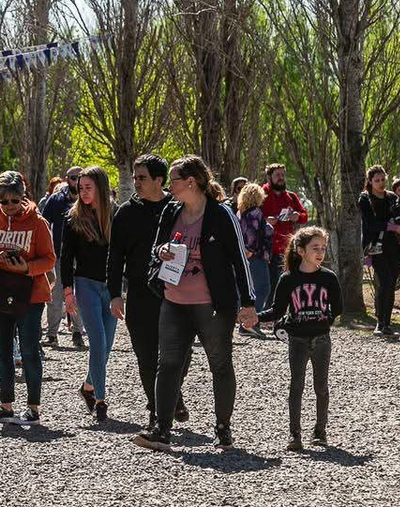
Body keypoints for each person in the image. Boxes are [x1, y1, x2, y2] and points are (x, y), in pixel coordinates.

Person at [134, 155, 257, 452]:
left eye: (173, 180)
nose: (169, 186)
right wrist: (161, 251)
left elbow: (240, 259)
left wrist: (249, 302)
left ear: (191, 182)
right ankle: (161, 430)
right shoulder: (171, 211)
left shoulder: (220, 215)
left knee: (219, 364)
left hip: (212, 306)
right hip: (174, 301)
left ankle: (223, 429)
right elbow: (156, 248)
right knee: (168, 364)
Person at [107, 154, 189, 430]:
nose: (136, 182)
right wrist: (115, 293)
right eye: (134, 177)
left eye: (142, 177)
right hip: (140, 293)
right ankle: (157, 410)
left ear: (159, 180)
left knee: (180, 353)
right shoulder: (126, 213)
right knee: (146, 356)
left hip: (176, 292)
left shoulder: (179, 209)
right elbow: (115, 256)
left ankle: (172, 394)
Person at [0, 171, 56, 426]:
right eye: (4, 201)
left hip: (30, 295)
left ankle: (33, 406)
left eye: (15, 200)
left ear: (24, 197)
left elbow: (49, 259)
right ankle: (5, 405)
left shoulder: (37, 222)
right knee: (2, 351)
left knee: (30, 350)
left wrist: (26, 268)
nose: (10, 206)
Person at [256, 227, 342, 452]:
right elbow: (276, 310)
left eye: (323, 248)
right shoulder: (288, 279)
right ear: (301, 250)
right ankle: (295, 435)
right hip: (297, 340)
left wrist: (326, 320)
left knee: (321, 386)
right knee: (296, 386)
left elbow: (339, 306)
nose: (320, 252)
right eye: (315, 248)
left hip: (322, 339)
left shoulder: (328, 277)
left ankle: (320, 432)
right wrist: (254, 317)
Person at [61, 166, 116, 422]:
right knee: (97, 341)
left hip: (111, 287)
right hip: (85, 284)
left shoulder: (116, 215)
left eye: (87, 188)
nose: (82, 192)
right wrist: (68, 292)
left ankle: (87, 387)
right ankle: (101, 400)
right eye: (80, 188)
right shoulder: (72, 219)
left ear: (101, 189)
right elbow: (66, 258)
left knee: (107, 345)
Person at [40, 165, 85, 348]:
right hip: (59, 255)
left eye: (80, 177)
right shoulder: (56, 199)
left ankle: (77, 332)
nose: (77, 181)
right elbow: (44, 223)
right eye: (74, 177)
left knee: (80, 295)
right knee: (55, 295)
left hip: (83, 257)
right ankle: (52, 334)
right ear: (67, 179)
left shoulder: (88, 198)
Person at [359, 165, 400, 337]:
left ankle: (387, 323)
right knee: (384, 281)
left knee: (391, 284)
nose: (380, 183)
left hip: (394, 246)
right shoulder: (365, 199)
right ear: (370, 181)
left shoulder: (392, 198)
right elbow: (371, 224)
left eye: (382, 180)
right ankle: (380, 322)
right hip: (376, 247)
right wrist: (393, 227)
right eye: (376, 180)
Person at [261, 164, 309, 299]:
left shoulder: (291, 197)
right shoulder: (260, 195)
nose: (281, 178)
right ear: (269, 177)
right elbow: (249, 217)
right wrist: (264, 220)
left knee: (288, 286)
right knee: (269, 288)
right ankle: (269, 318)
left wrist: (297, 216)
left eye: (283, 175)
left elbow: (304, 216)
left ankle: (283, 316)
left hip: (287, 250)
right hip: (266, 250)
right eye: (277, 175)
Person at [237, 183, 274, 329]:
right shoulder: (255, 212)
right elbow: (252, 233)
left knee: (248, 290)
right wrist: (250, 249)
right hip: (255, 256)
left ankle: (244, 321)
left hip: (246, 256)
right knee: (263, 288)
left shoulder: (241, 212)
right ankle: (249, 323)